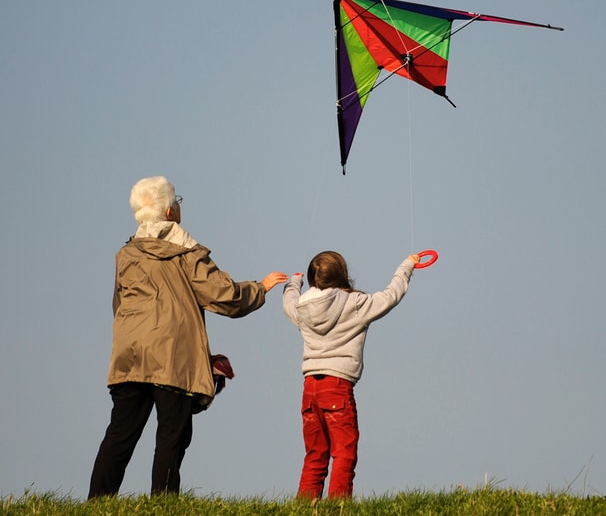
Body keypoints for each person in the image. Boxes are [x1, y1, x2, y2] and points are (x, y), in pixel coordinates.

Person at [88, 176, 288, 498]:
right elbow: (223, 295)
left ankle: (97, 501)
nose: (179, 206)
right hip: (172, 354)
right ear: (169, 212)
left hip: (130, 354)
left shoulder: (125, 255)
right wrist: (260, 287)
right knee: (172, 433)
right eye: (177, 201)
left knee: (120, 432)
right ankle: (164, 503)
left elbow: (119, 304)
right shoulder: (186, 252)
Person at [282, 251, 419, 499]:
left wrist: (294, 281)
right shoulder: (355, 303)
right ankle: (338, 507)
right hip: (337, 386)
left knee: (315, 454)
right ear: (342, 275)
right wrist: (407, 265)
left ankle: (304, 507)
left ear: (313, 278)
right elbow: (391, 295)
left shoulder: (302, 307)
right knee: (344, 452)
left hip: (310, 388)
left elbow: (288, 303)